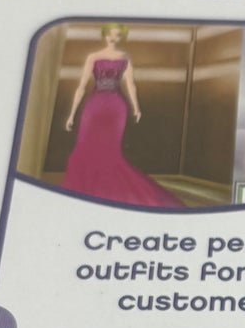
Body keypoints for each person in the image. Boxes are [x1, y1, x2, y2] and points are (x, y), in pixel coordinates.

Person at [61, 24, 185, 208]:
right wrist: (71, 114)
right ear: (104, 35)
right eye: (110, 34)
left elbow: (131, 84)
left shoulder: (125, 57)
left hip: (116, 107)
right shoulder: (93, 57)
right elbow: (81, 86)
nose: (113, 38)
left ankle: (105, 193)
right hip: (94, 106)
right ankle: (85, 191)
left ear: (121, 37)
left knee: (110, 152)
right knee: (84, 147)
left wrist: (136, 107)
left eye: (117, 35)